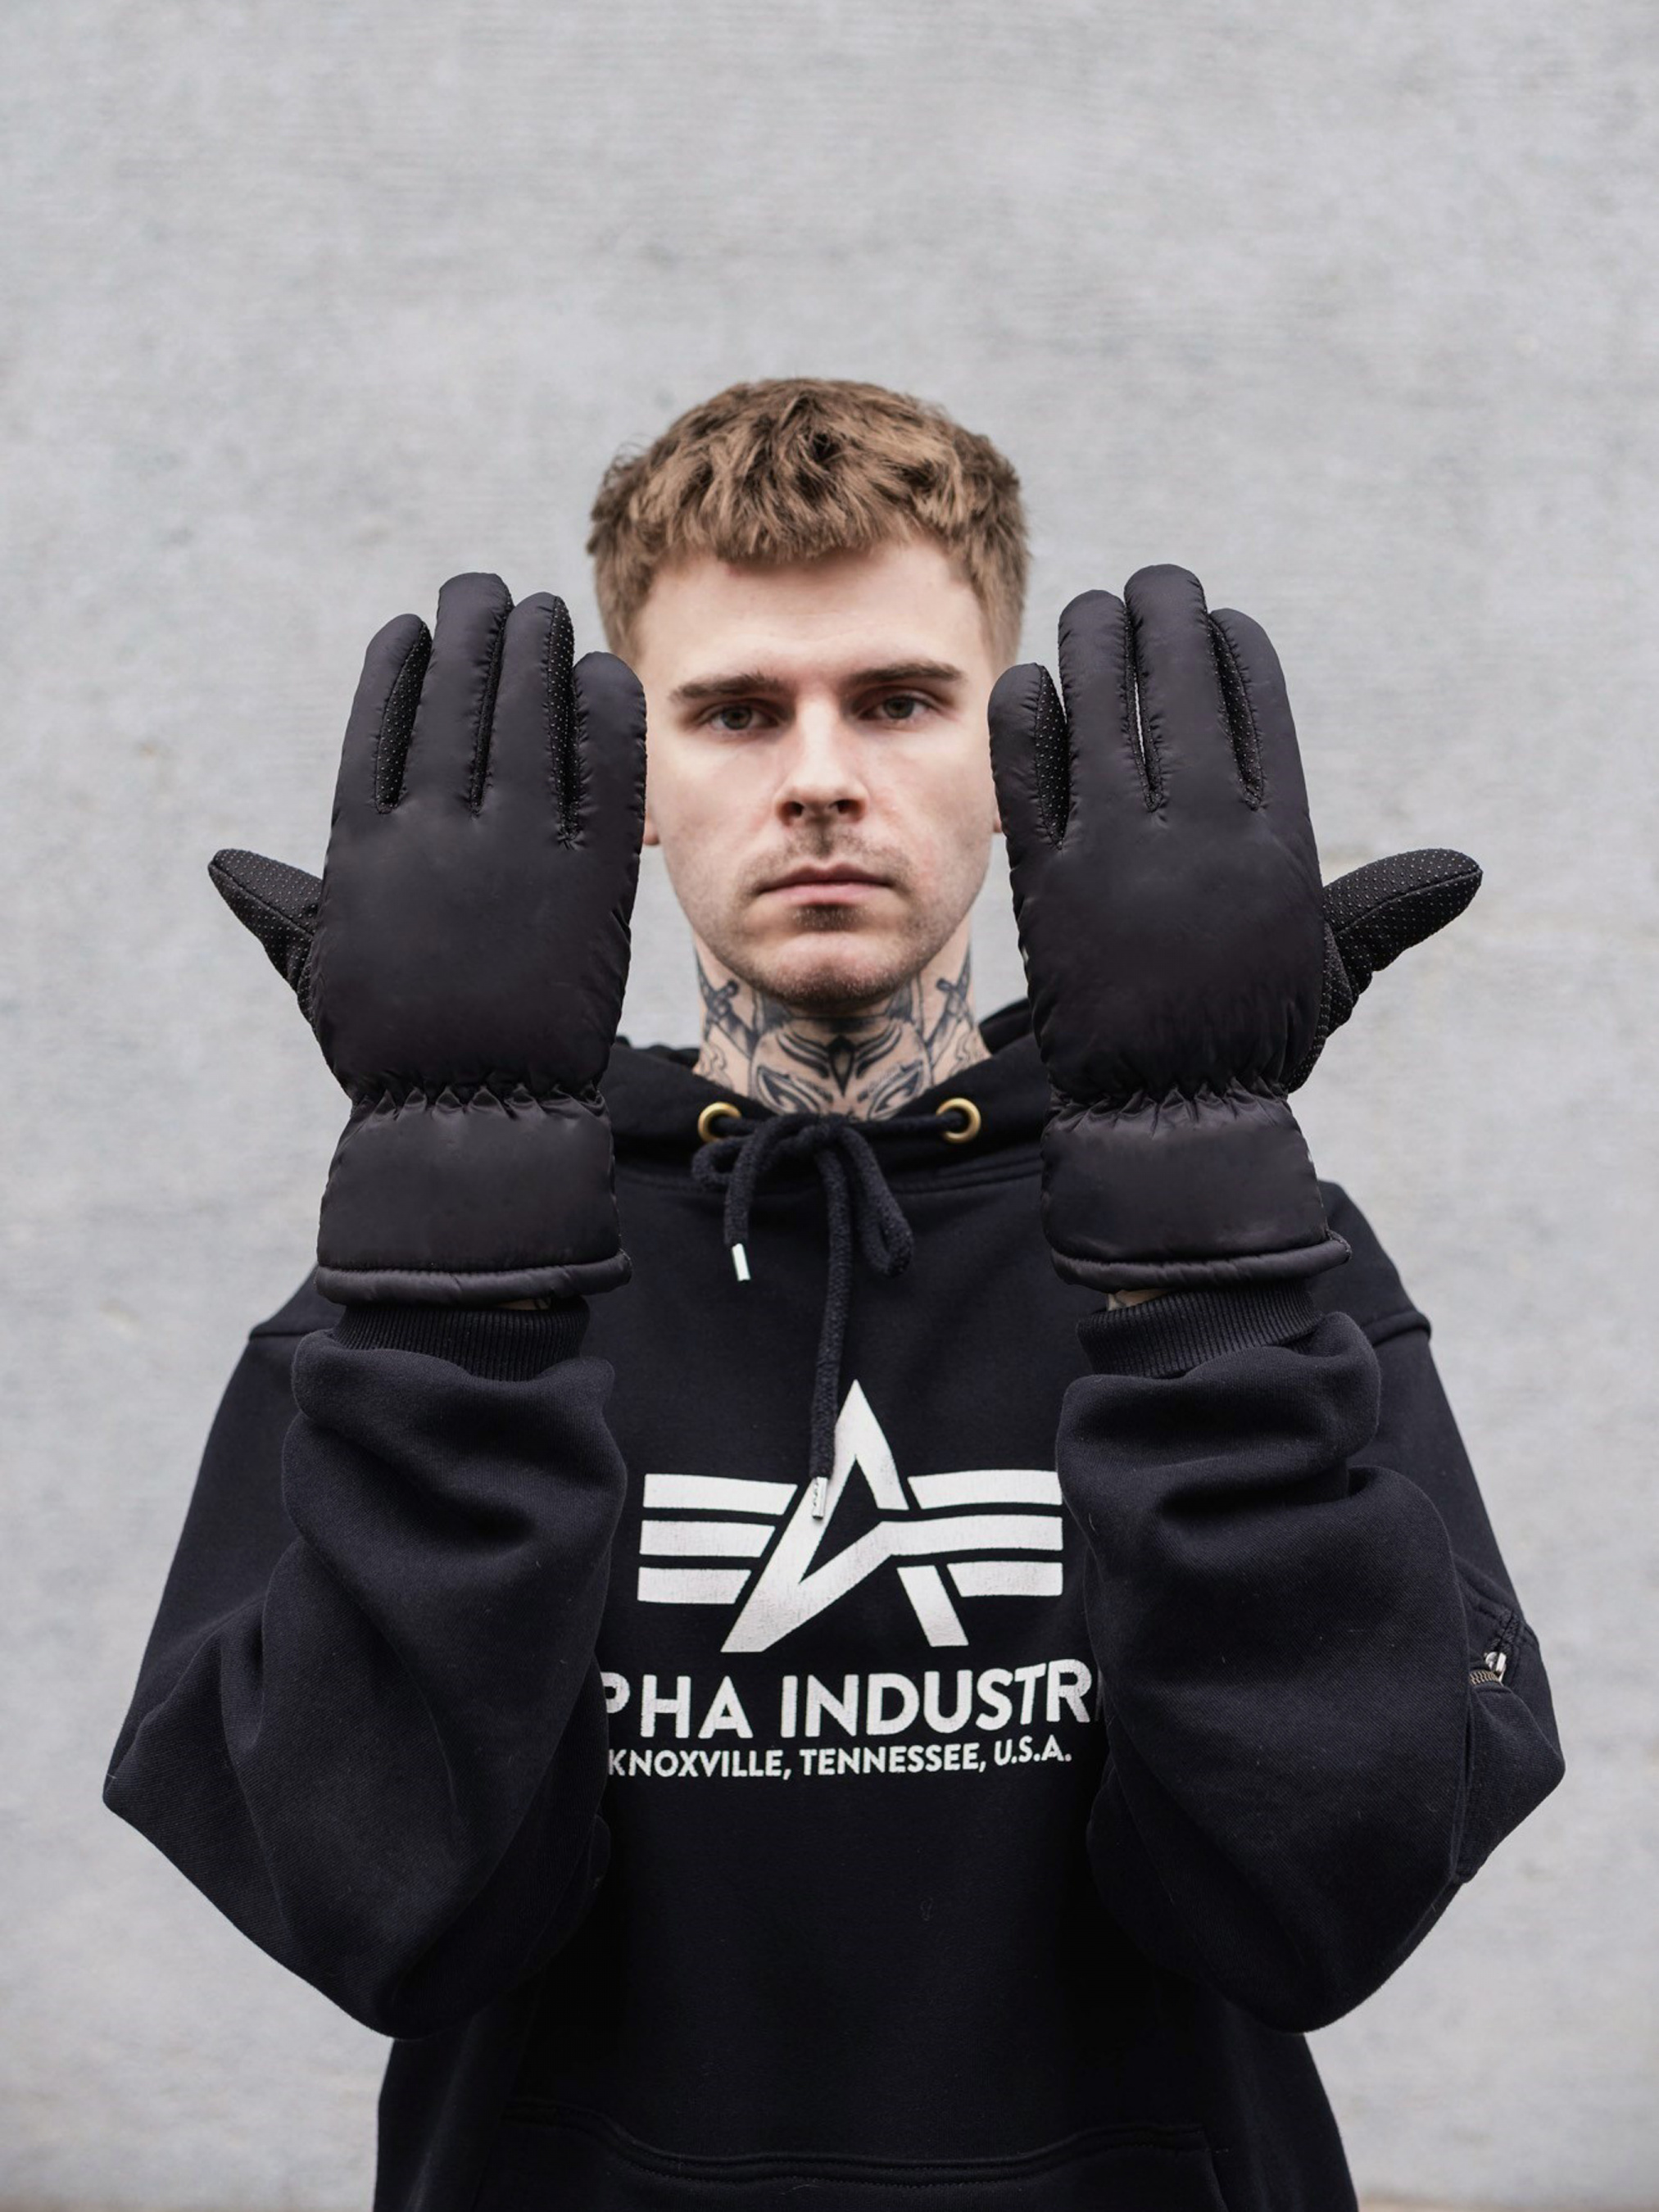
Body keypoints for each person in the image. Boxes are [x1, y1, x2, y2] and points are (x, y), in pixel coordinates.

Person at [105, 378, 1565, 2212]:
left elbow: (1324, 1904)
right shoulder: (433, 1273)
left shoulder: (1256, 1251)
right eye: (733, 711)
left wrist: (1191, 1222)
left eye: (896, 700)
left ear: (1008, 760)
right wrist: (462, 1233)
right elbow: (376, 1915)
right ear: (631, 783)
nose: (816, 775)